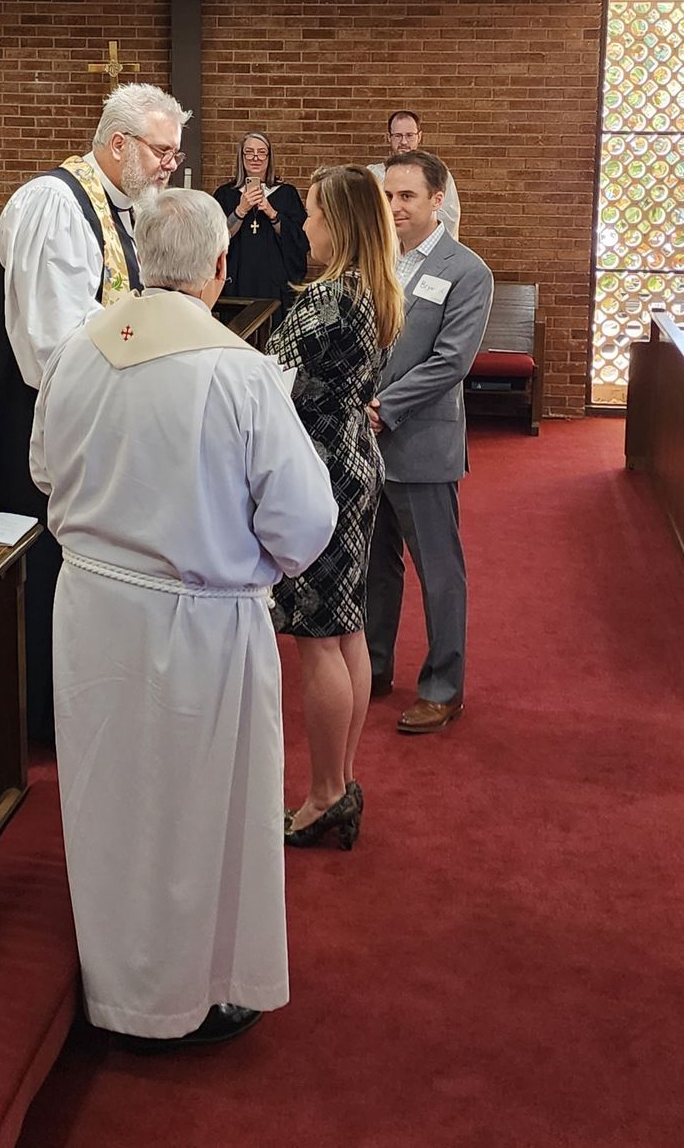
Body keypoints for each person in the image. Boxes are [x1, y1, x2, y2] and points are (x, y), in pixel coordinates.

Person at [30, 190, 337, 1048]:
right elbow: (305, 521)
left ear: (135, 264)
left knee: (109, 797)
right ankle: (199, 993)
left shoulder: (81, 349)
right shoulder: (238, 370)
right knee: (204, 810)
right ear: (219, 267)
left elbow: (45, 470)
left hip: (91, 612)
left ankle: (115, 981)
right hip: (200, 626)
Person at [0, 82, 189, 745]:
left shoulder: (120, 208)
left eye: (175, 155)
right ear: (118, 142)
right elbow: (52, 344)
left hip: (85, 418)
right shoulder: (53, 204)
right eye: (162, 151)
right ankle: (24, 715)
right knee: (35, 572)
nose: (170, 166)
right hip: (36, 425)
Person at [268, 165, 405, 848]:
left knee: (320, 635)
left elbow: (272, 388)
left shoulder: (326, 300)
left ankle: (323, 795)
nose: (305, 224)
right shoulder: (368, 289)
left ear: (342, 224)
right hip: (351, 460)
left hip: (317, 471)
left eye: (315, 214)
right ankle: (341, 781)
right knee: (346, 628)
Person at [366, 149, 493, 733]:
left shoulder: (467, 271)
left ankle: (444, 687)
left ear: (437, 200)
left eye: (407, 196)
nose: (394, 206)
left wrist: (382, 409)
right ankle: (372, 665)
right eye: (389, 195)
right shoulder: (375, 261)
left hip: (418, 442)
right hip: (365, 444)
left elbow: (450, 362)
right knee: (375, 566)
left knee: (438, 572)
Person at [212, 131, 309, 315]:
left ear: (269, 157)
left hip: (274, 284)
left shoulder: (286, 194)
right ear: (241, 157)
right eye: (249, 152)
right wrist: (240, 210)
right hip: (237, 283)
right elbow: (215, 240)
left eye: (261, 152)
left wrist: (272, 213)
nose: (255, 157)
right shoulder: (225, 194)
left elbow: (300, 240)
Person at [367, 110, 461, 239]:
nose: (404, 142)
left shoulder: (437, 173)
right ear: (389, 137)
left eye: (410, 135)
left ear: (419, 136)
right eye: (398, 136)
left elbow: (449, 218)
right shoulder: (373, 175)